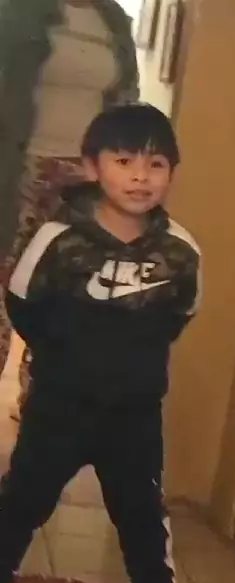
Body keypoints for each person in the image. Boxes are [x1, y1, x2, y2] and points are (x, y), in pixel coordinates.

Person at [2, 103, 200, 583]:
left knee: (141, 508)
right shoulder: (58, 239)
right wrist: (64, 355)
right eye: (124, 161)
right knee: (25, 497)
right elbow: (23, 301)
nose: (140, 177)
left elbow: (182, 311)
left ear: (171, 171)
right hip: (61, 403)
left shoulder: (179, 251)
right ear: (92, 167)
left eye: (155, 164)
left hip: (134, 410)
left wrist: (131, 358)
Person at [0, 0, 139, 417]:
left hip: (84, 184)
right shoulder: (18, 11)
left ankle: (38, 418)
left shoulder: (112, 20)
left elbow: (125, 104)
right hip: (20, 174)